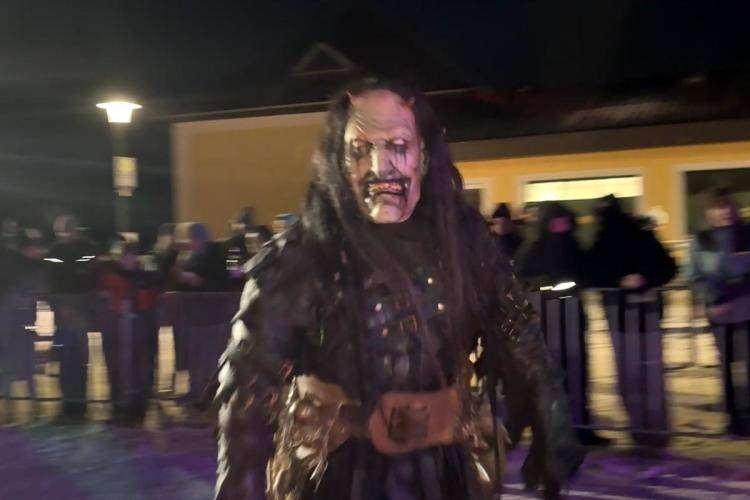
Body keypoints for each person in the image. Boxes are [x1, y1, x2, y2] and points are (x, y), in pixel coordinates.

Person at [215, 78, 583, 500]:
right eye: (360, 149)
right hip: (337, 476)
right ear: (339, 162)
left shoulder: (463, 242)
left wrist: (550, 411)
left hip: (444, 473)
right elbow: (247, 383)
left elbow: (517, 328)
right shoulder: (302, 256)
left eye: (397, 145)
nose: (380, 165)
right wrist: (241, 484)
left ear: (423, 156)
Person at [516, 202, 610, 447]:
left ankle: (581, 428)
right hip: (546, 324)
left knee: (577, 376)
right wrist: (548, 288)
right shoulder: (534, 250)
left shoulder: (573, 247)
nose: (562, 228)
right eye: (557, 223)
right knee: (551, 379)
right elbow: (522, 280)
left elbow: (589, 273)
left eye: (565, 223)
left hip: (573, 322)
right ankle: (552, 431)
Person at [588, 194, 676, 446]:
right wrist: (624, 281)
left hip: (636, 317)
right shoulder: (622, 236)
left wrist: (641, 279)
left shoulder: (628, 235)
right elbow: (594, 275)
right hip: (627, 317)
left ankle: (649, 429)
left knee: (639, 374)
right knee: (641, 374)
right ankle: (647, 428)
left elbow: (666, 267)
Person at [688, 188, 750, 436]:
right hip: (719, 314)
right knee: (726, 369)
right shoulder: (700, 239)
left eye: (726, 207)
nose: (723, 212)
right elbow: (693, 274)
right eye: (717, 208)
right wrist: (712, 299)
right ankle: (732, 419)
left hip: (746, 311)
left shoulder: (746, 234)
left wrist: (735, 292)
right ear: (709, 212)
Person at [97, 237, 161, 425]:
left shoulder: (145, 277)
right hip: (117, 331)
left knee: (139, 368)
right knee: (117, 368)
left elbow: (151, 299)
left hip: (139, 331)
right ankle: (119, 406)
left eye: (129, 255)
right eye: (123, 256)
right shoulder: (110, 277)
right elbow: (103, 300)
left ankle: (138, 407)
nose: (126, 259)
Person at [45, 214, 98, 423]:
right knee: (69, 360)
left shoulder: (68, 250)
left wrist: (64, 306)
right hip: (69, 313)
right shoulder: (68, 250)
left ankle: (75, 405)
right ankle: (72, 404)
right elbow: (56, 278)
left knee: (73, 360)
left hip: (72, 313)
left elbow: (65, 278)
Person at [0, 226, 46, 422]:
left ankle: (10, 403)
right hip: (15, 317)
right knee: (19, 360)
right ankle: (25, 402)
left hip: (15, 317)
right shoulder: (25, 265)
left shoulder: (19, 263)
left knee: (13, 360)